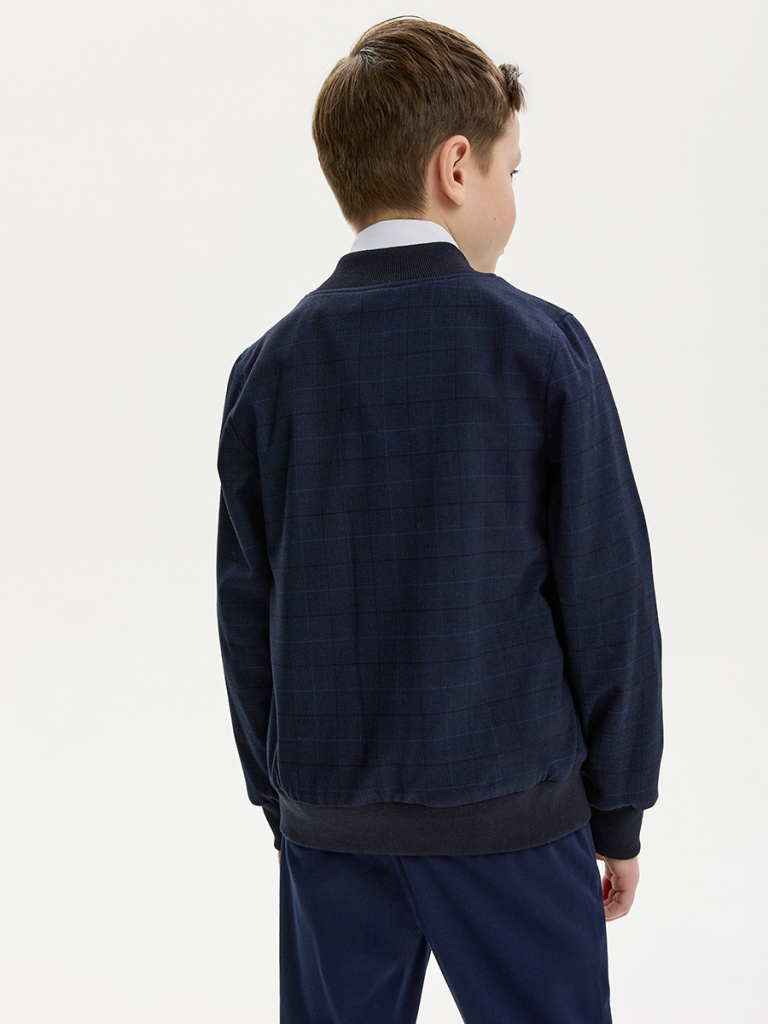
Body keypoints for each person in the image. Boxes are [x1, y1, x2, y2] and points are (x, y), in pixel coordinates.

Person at [216, 15, 663, 1023]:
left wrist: (283, 801)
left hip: (331, 818)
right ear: (456, 167)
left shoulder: (267, 372)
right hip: (512, 816)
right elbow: (610, 598)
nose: (514, 199)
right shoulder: (542, 348)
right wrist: (619, 810)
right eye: (512, 169)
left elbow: (247, 612)